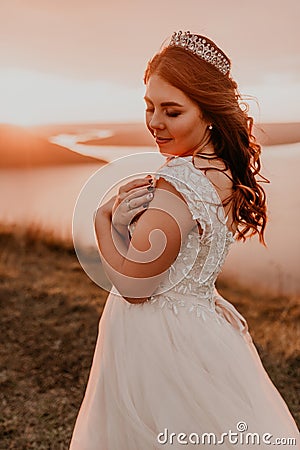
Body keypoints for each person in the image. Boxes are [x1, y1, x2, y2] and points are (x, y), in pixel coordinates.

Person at [69, 31, 299, 449]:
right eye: (150, 106)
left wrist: (103, 221)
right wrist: (128, 229)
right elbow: (178, 262)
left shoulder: (177, 186)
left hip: (155, 341)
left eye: (172, 111)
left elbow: (135, 288)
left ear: (208, 112)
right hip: (201, 330)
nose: (155, 122)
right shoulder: (224, 172)